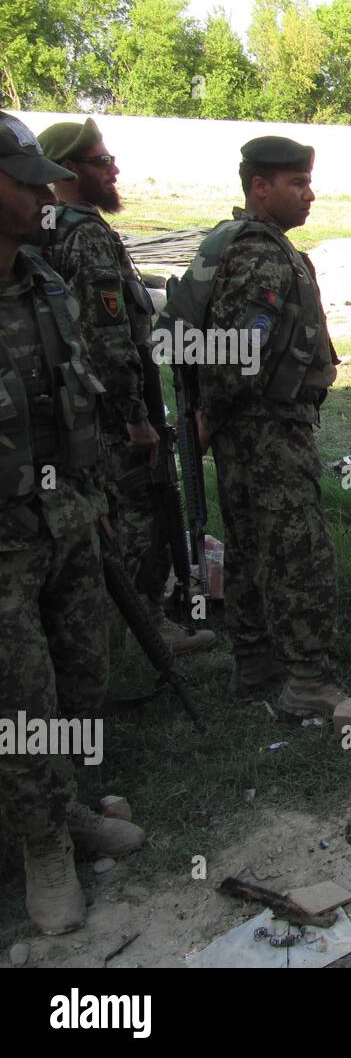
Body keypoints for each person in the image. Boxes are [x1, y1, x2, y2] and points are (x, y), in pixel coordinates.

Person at [160, 136, 351, 722]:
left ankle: (254, 663)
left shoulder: (237, 243)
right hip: (266, 430)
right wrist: (209, 415)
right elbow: (239, 356)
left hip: (244, 426)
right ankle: (307, 680)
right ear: (261, 187)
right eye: (297, 183)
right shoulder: (261, 256)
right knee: (297, 551)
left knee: (252, 545)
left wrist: (209, 417)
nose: (310, 194)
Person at [0, 113, 145, 936]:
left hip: (66, 519)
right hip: (4, 538)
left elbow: (78, 391)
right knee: (22, 695)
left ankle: (74, 803)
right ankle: (42, 845)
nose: (38, 191)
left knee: (81, 675)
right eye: (21, 178)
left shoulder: (43, 282)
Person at [37, 117, 215, 656]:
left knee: (98, 516)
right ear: (67, 170)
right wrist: (137, 417)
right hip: (113, 411)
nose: (114, 170)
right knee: (142, 510)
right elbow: (109, 337)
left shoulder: (49, 226)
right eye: (101, 162)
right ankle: (147, 624)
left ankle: (102, 624)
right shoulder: (86, 233)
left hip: (74, 406)